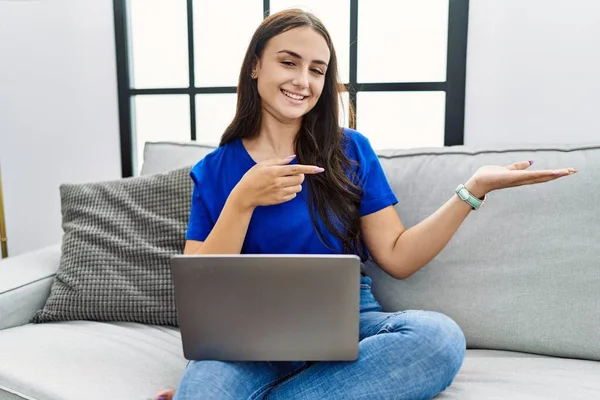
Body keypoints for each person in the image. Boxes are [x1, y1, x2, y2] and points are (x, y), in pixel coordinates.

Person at [154, 8, 576, 400]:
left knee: (439, 338)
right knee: (209, 381)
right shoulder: (214, 169)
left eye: (317, 70)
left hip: (350, 327)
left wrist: (474, 189)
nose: (303, 80)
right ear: (255, 66)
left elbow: (398, 256)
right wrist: (242, 200)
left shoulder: (351, 151)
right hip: (246, 339)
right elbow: (202, 285)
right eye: (288, 62)